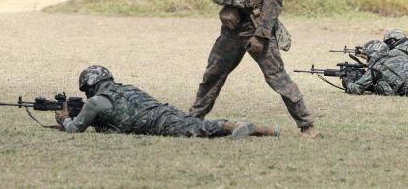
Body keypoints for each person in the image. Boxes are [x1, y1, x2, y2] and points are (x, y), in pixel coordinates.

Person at [149, 0, 318, 138]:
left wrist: (260, 36)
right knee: (213, 74)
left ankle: (307, 126)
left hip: (256, 30)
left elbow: (273, 4)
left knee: (277, 78)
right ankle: (192, 121)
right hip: (231, 31)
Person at [55, 65, 279, 138]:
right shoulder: (125, 88)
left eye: (87, 90)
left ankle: (237, 125)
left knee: (199, 128)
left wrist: (65, 120)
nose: (86, 95)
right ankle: (268, 131)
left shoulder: (95, 102)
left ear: (92, 85)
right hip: (162, 110)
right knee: (195, 124)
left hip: (154, 121)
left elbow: (75, 129)